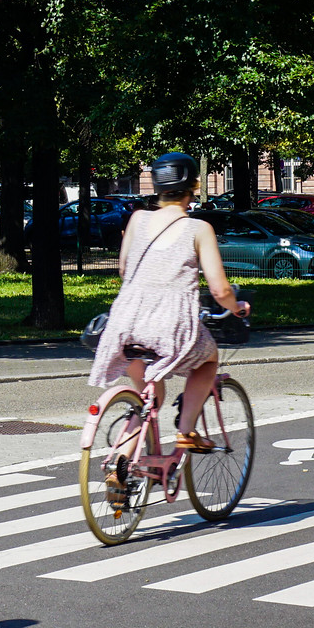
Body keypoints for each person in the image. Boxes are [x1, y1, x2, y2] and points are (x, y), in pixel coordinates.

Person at [89, 152, 250, 452]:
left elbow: (125, 269)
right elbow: (219, 290)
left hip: (124, 324)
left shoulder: (137, 219)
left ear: (157, 185)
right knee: (209, 360)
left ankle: (120, 467)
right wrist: (237, 308)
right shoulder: (199, 229)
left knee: (150, 400)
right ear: (193, 186)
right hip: (170, 325)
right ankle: (186, 431)